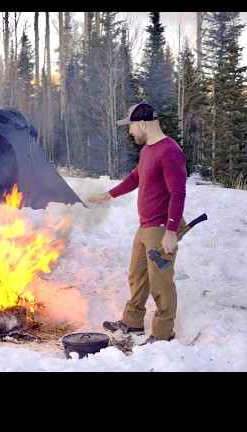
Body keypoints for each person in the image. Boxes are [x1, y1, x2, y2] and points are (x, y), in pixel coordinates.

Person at [87, 102, 187, 344]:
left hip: (161, 229)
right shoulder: (148, 150)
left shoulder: (170, 152)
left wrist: (171, 231)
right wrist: (107, 195)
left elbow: (178, 193)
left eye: (131, 126)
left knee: (160, 283)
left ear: (143, 123)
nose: (130, 132)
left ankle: (163, 333)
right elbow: (136, 178)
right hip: (145, 227)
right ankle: (132, 323)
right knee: (137, 275)